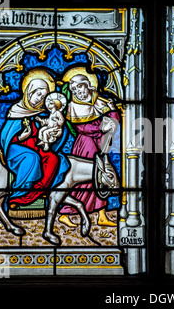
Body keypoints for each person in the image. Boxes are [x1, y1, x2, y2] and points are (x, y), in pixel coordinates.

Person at [58, 67, 119, 228]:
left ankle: (101, 214)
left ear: (88, 85)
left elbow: (114, 120)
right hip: (86, 145)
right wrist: (100, 128)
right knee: (82, 180)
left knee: (100, 178)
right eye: (73, 89)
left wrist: (112, 111)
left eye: (79, 87)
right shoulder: (73, 106)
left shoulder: (100, 101)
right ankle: (65, 212)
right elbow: (81, 128)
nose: (77, 92)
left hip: (101, 144)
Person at [0, 69, 69, 208]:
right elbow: (5, 138)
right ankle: (18, 195)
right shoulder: (15, 111)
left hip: (36, 146)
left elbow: (55, 130)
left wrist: (56, 132)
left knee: (54, 159)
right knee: (32, 158)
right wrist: (21, 136)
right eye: (38, 94)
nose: (39, 99)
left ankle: (36, 193)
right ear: (29, 92)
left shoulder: (43, 113)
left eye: (43, 97)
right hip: (15, 150)